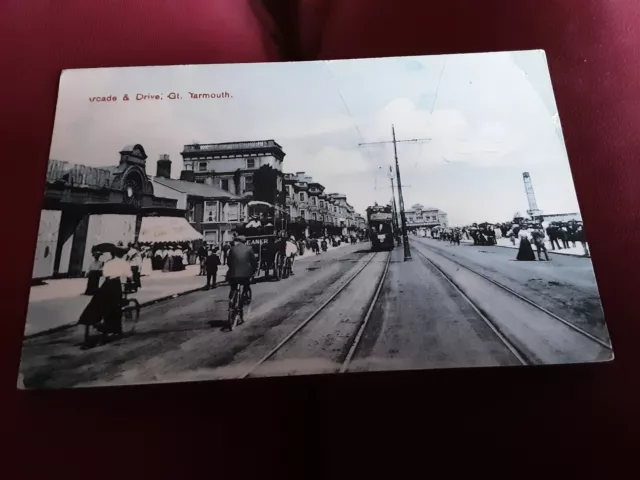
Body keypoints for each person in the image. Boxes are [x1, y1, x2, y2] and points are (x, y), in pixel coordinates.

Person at [79, 246, 132, 338]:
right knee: (116, 305)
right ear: (122, 254)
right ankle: (115, 329)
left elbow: (104, 273)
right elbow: (129, 275)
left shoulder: (108, 262)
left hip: (106, 284)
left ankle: (92, 320)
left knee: (98, 301)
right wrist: (131, 280)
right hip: (115, 284)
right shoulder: (124, 263)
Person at [227, 236, 258, 309]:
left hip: (233, 274)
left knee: (233, 288)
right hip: (245, 274)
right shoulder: (249, 249)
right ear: (245, 242)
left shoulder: (232, 249)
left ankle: (231, 299)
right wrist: (254, 270)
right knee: (246, 285)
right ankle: (244, 297)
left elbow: (229, 262)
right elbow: (254, 262)